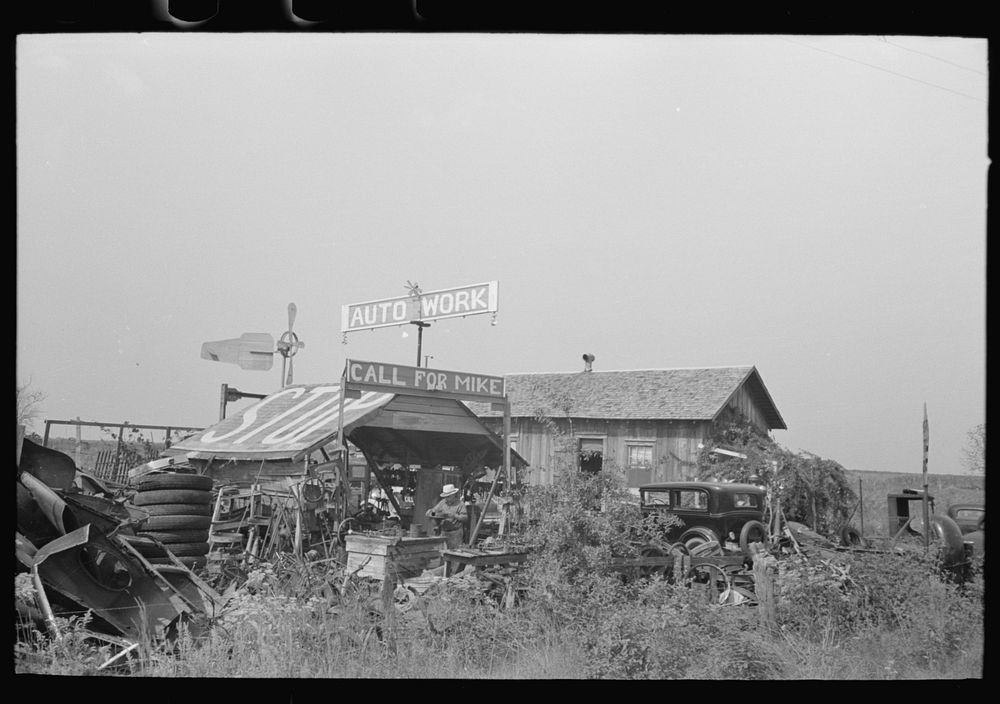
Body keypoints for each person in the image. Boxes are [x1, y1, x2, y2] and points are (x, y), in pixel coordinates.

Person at [426, 483, 468, 549]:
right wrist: (430, 513)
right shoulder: (442, 503)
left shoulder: (460, 504)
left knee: (455, 554)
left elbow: (465, 518)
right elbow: (435, 512)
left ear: (453, 495)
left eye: (448, 496)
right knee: (442, 553)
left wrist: (454, 516)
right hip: (444, 532)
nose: (446, 498)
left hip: (455, 534)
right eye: (445, 496)